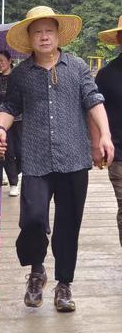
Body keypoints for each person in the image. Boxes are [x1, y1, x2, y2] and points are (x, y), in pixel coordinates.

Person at [0, 6, 114, 313]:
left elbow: (93, 100)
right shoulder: (21, 74)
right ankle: (36, 271)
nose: (44, 37)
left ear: (58, 35)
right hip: (34, 159)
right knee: (33, 219)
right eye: (37, 32)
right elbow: (9, 105)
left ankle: (64, 285)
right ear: (29, 38)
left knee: (68, 224)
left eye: (49, 31)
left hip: (74, 157)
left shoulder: (77, 67)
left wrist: (105, 135)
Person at [94, 16, 122, 246]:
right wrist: (97, 143)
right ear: (119, 38)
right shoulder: (106, 75)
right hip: (120, 155)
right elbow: (94, 110)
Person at [0, 50, 22, 196]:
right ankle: (13, 183)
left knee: (22, 151)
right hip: (3, 121)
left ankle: (17, 172)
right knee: (7, 152)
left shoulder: (19, 76)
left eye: (2, 60)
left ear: (10, 61)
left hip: (21, 118)